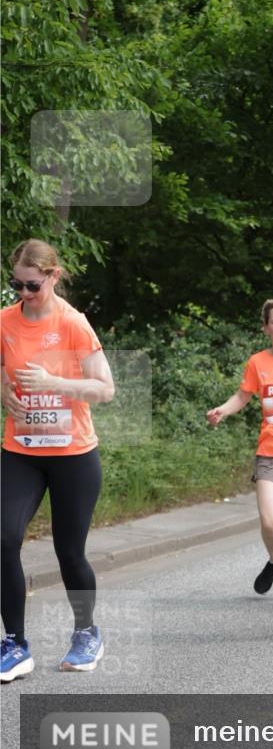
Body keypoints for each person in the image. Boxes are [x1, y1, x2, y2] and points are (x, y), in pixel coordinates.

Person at [1, 239, 115, 682]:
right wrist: (5, 393)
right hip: (21, 451)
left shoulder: (73, 324)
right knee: (4, 539)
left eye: (31, 285)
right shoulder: (6, 321)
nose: (23, 293)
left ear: (53, 276)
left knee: (69, 551)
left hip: (73, 454)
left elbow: (104, 389)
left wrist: (54, 380)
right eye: (16, 284)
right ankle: (14, 643)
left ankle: (87, 632)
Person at [207, 299, 273, 601]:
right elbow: (243, 395)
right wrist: (223, 411)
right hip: (271, 451)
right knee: (269, 520)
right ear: (266, 327)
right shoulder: (258, 363)